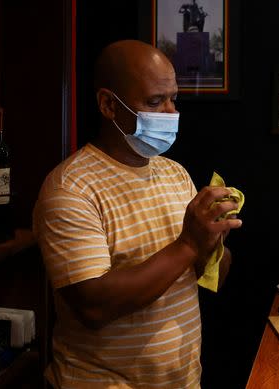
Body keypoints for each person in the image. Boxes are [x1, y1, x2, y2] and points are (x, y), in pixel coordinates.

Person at [33, 40, 242, 388]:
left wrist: (214, 243)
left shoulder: (175, 174)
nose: (170, 112)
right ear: (108, 105)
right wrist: (189, 245)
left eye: (174, 99)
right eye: (154, 101)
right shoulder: (70, 189)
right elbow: (93, 308)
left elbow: (214, 278)